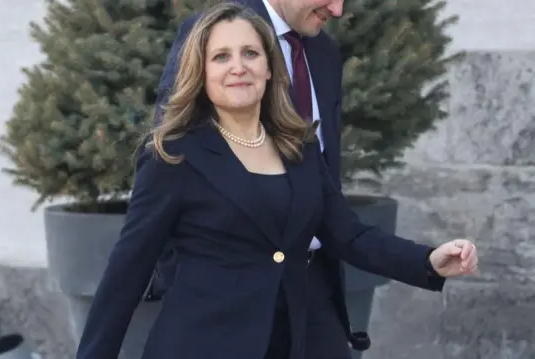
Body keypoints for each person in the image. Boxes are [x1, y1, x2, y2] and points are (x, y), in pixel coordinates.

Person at [76, 3, 478, 359]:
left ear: (270, 68)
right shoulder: (173, 155)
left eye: (250, 53)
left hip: (298, 339)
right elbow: (126, 273)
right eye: (221, 57)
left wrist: (427, 261)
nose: (239, 66)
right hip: (203, 344)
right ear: (199, 71)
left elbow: (348, 235)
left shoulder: (298, 147)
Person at [145, 0, 373, 357]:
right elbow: (169, 155)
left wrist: (428, 262)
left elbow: (325, 177)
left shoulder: (325, 52)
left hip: (313, 287)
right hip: (227, 299)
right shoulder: (216, 29)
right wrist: (193, 286)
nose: (338, 9)